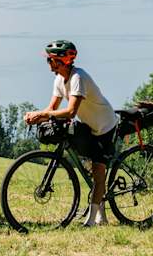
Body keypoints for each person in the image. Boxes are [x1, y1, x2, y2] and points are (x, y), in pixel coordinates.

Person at [24, 40, 118, 227]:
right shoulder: (59, 79)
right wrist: (35, 116)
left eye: (51, 60)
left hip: (104, 127)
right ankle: (101, 213)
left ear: (62, 60)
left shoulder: (78, 78)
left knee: (99, 172)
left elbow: (70, 112)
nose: (48, 64)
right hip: (88, 126)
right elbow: (52, 108)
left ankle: (92, 220)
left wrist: (42, 114)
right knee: (91, 167)